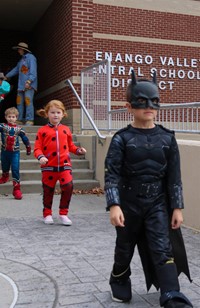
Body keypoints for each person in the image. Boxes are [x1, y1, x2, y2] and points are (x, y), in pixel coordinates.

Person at [104, 71, 193, 307]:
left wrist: (177, 208)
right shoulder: (121, 139)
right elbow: (111, 174)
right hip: (128, 203)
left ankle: (171, 292)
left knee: (162, 246)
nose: (149, 106)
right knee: (125, 246)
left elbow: (174, 177)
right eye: (142, 101)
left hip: (157, 203)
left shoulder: (167, 138)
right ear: (128, 106)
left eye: (154, 101)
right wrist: (114, 205)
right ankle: (119, 279)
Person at [34, 99, 87, 225]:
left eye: (58, 112)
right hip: (48, 167)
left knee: (68, 187)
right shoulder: (42, 131)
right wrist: (40, 157)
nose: (55, 115)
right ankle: (47, 213)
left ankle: (63, 213)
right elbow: (37, 148)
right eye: (52, 112)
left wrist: (79, 151)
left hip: (64, 166)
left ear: (63, 114)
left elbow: (71, 146)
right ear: (47, 114)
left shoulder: (66, 130)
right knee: (48, 190)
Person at [0, 107, 31, 199]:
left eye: (13, 117)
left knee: (15, 169)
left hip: (15, 153)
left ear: (16, 118)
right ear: (6, 117)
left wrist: (28, 147)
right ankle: (5, 176)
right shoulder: (2, 127)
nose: (11, 118)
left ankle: (17, 189)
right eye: (9, 116)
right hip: (5, 152)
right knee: (5, 166)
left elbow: (25, 138)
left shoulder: (19, 129)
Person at [5, 42, 37, 125]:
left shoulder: (31, 58)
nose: (18, 51)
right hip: (21, 85)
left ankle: (30, 120)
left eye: (19, 49)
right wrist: (6, 76)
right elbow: (15, 70)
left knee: (28, 101)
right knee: (19, 102)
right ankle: (19, 119)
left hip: (28, 84)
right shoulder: (21, 60)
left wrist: (29, 81)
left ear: (23, 50)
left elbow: (33, 71)